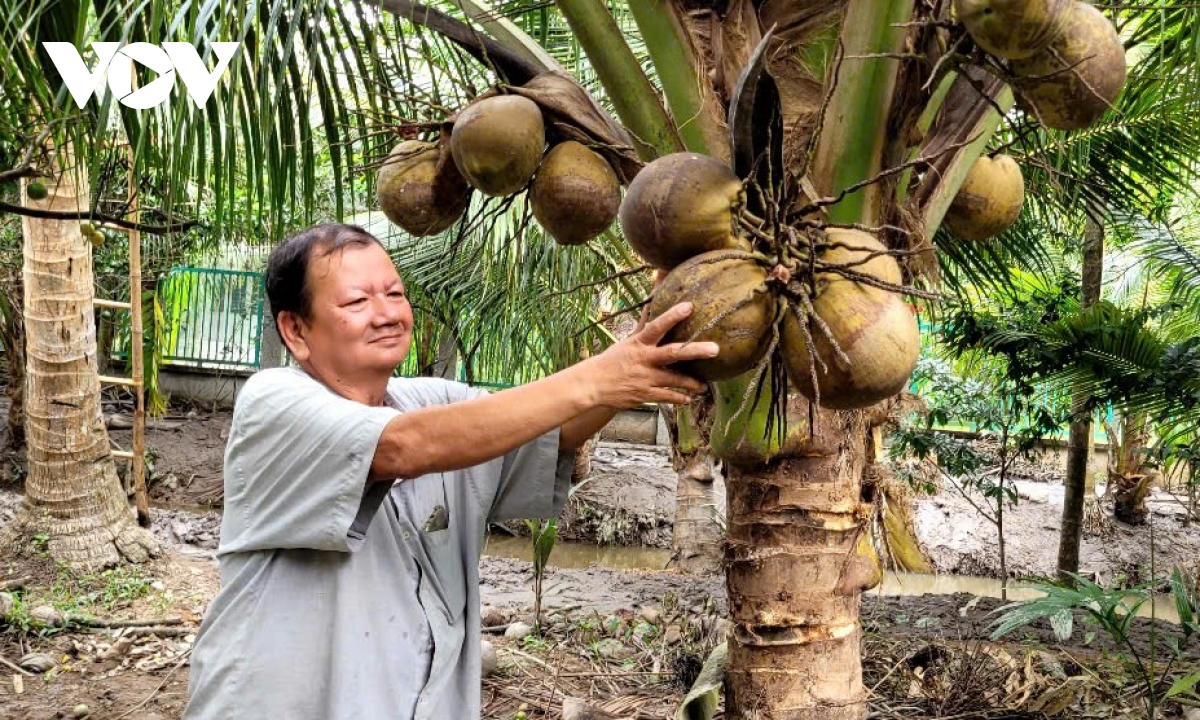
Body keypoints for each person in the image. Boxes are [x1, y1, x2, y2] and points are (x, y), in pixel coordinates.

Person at [183, 223, 716, 720]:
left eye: (394, 293)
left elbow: (550, 430)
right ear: (295, 330)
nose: (387, 312)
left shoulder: (430, 399)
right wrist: (599, 380)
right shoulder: (273, 401)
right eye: (357, 301)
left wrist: (645, 346)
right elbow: (402, 447)